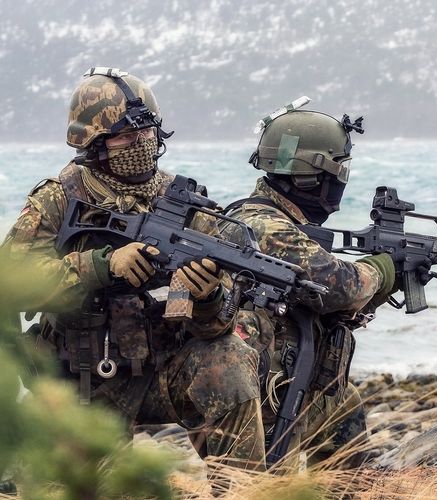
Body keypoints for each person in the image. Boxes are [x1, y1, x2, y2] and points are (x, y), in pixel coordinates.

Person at [1, 68, 265, 470]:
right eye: (126, 135)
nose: (140, 143)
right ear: (93, 142)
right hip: (81, 384)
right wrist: (100, 267)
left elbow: (213, 329)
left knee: (229, 356)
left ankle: (243, 491)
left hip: (163, 372)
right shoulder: (57, 199)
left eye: (147, 132)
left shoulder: (185, 204)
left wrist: (208, 297)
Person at [220, 100, 396, 466]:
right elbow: (339, 285)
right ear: (309, 175)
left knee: (342, 404)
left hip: (280, 379)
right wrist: (384, 270)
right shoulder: (267, 227)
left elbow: (320, 296)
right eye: (339, 170)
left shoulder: (265, 218)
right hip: (255, 395)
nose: (341, 181)